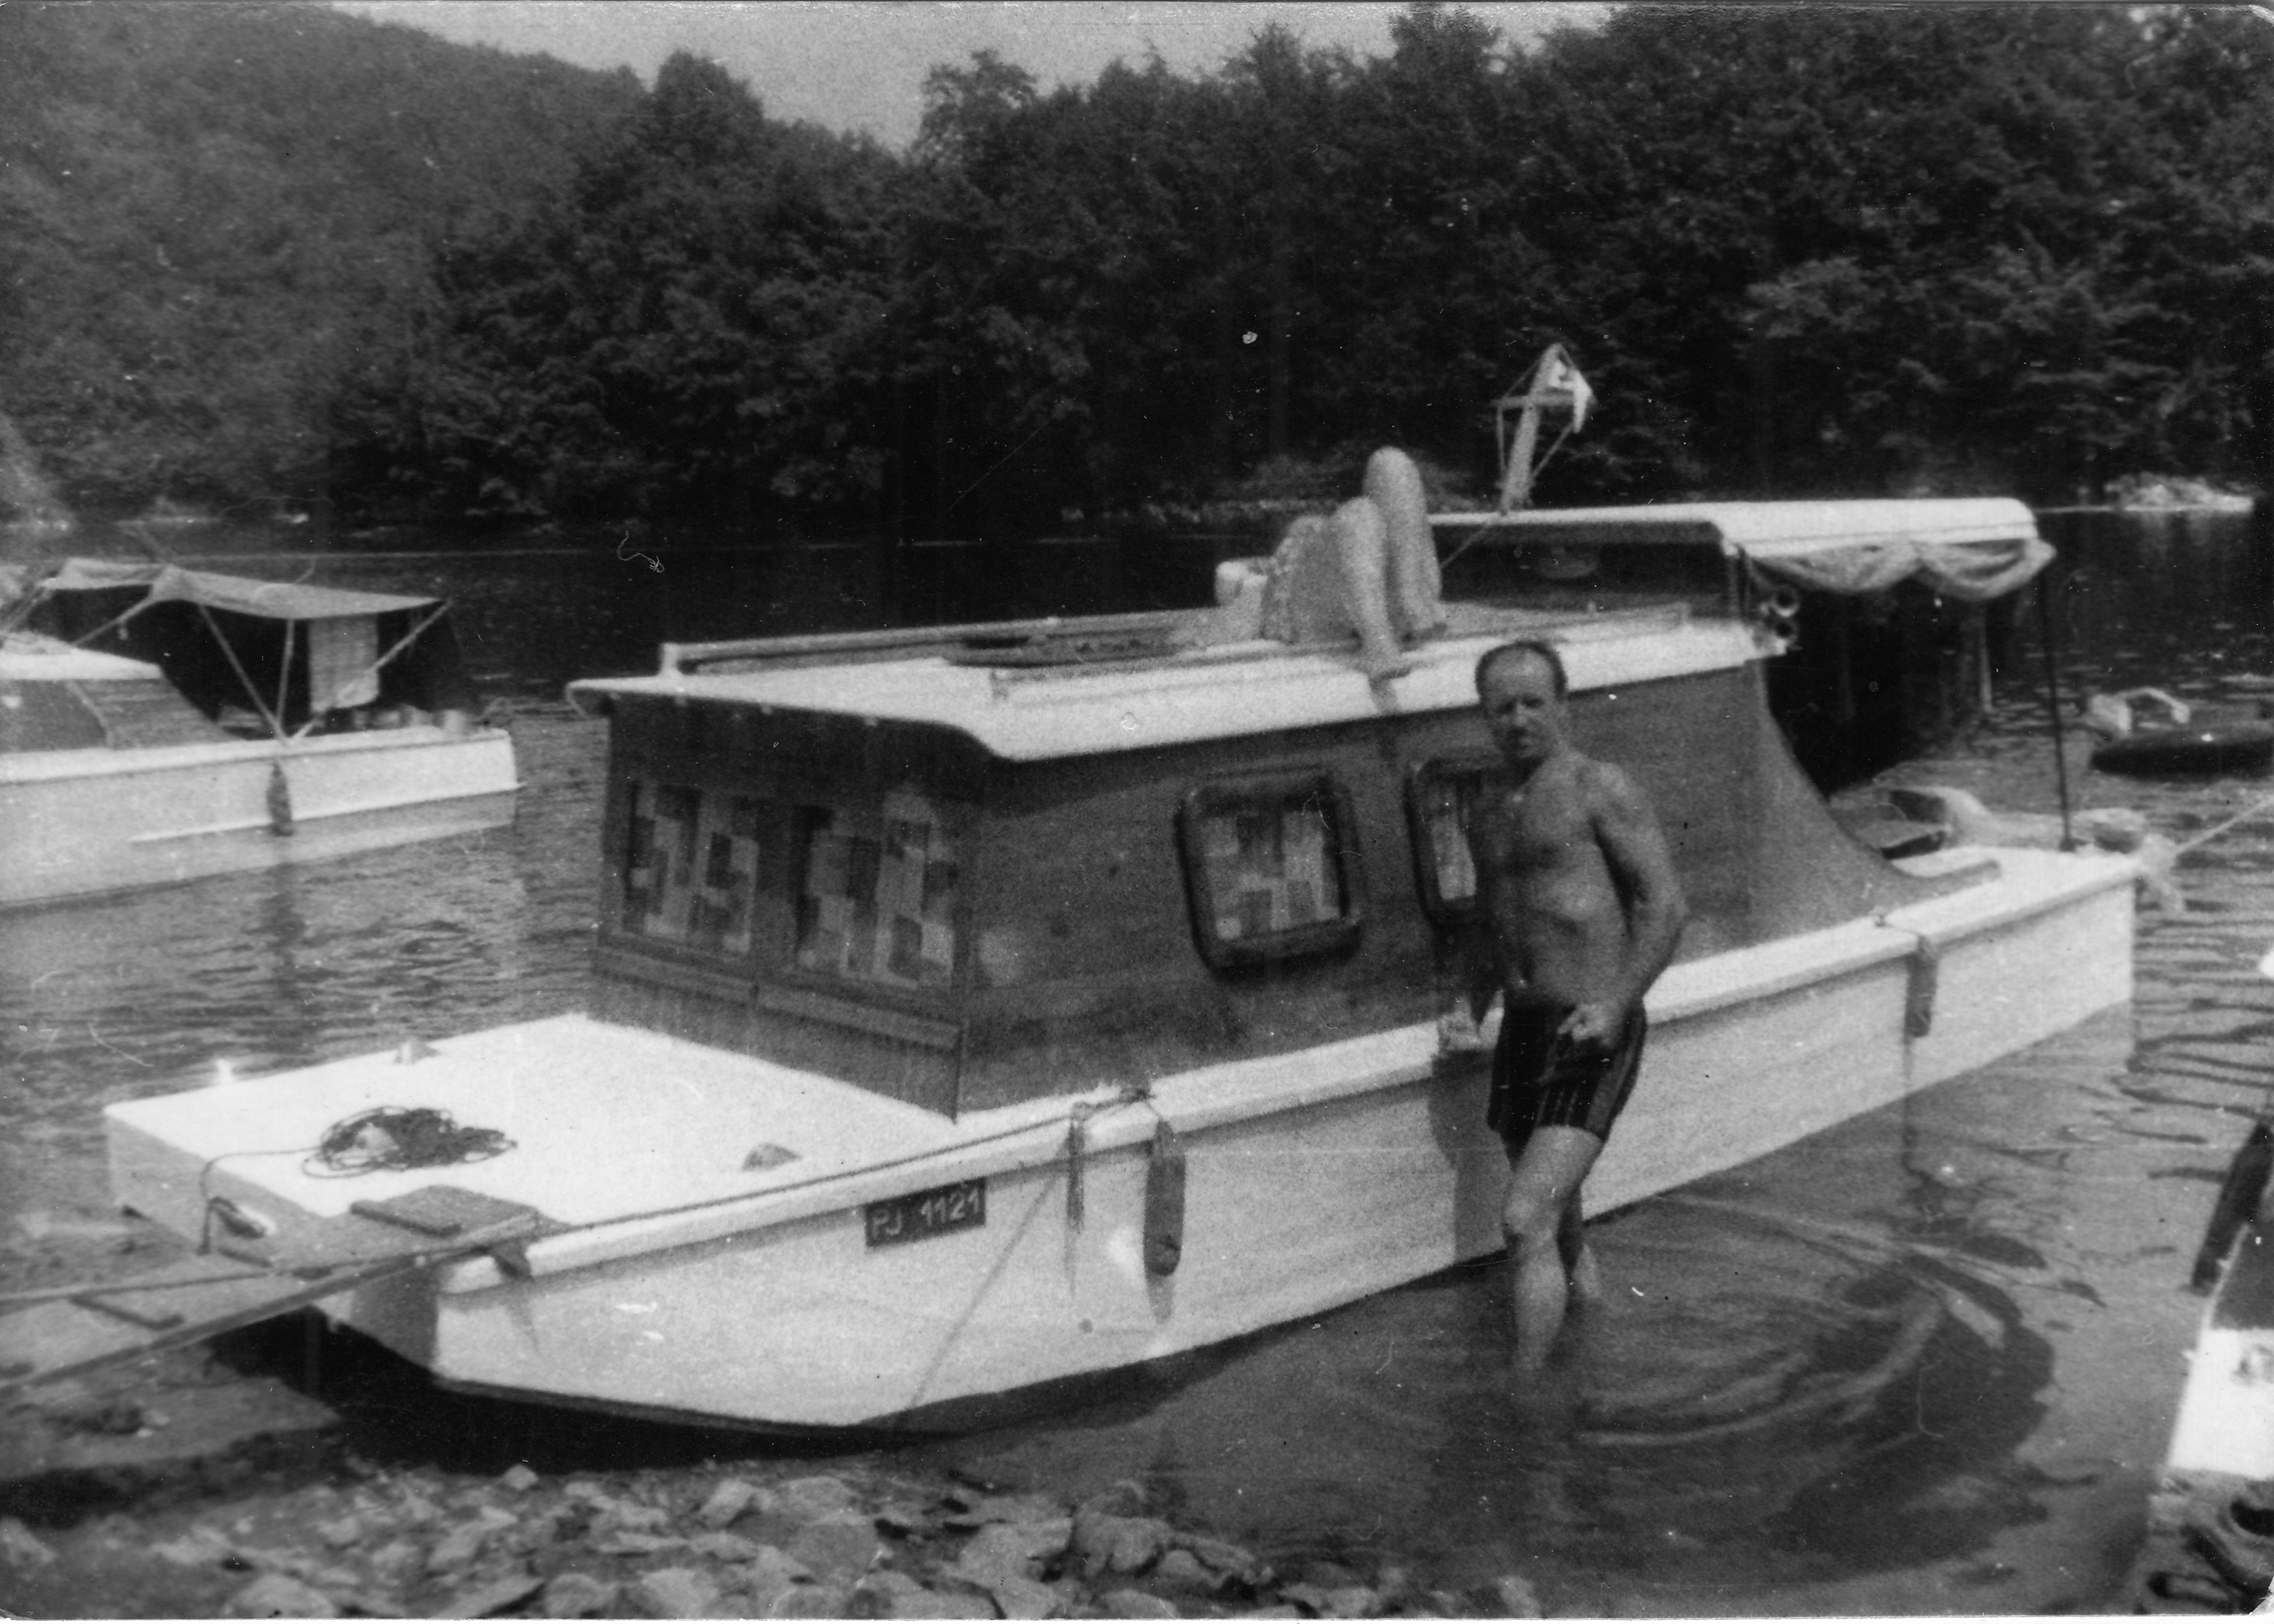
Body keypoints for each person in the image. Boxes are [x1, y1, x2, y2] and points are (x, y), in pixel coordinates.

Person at [1466, 640, 1687, 1373]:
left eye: (1534, 703)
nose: (1518, 719)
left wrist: (1618, 1004)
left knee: (1524, 1216)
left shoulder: (1601, 788)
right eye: (1502, 708)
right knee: (1558, 1227)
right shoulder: (1486, 810)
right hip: (1523, 1029)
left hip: (1588, 1028)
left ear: (1564, 705)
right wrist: (1470, 1003)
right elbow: (1492, 917)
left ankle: (1528, 1394)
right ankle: (1590, 1358)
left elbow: (1665, 905)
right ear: (1485, 716)